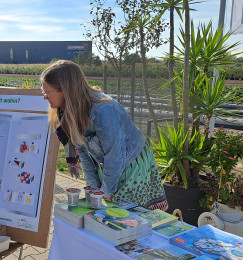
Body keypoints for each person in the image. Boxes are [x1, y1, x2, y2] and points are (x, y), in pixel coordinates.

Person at [40, 60, 168, 210]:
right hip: (110, 162)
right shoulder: (66, 110)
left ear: (65, 90)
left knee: (127, 216)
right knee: (104, 208)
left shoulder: (103, 112)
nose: (44, 97)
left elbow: (114, 157)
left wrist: (105, 192)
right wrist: (93, 190)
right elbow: (82, 152)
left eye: (48, 92)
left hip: (130, 164)